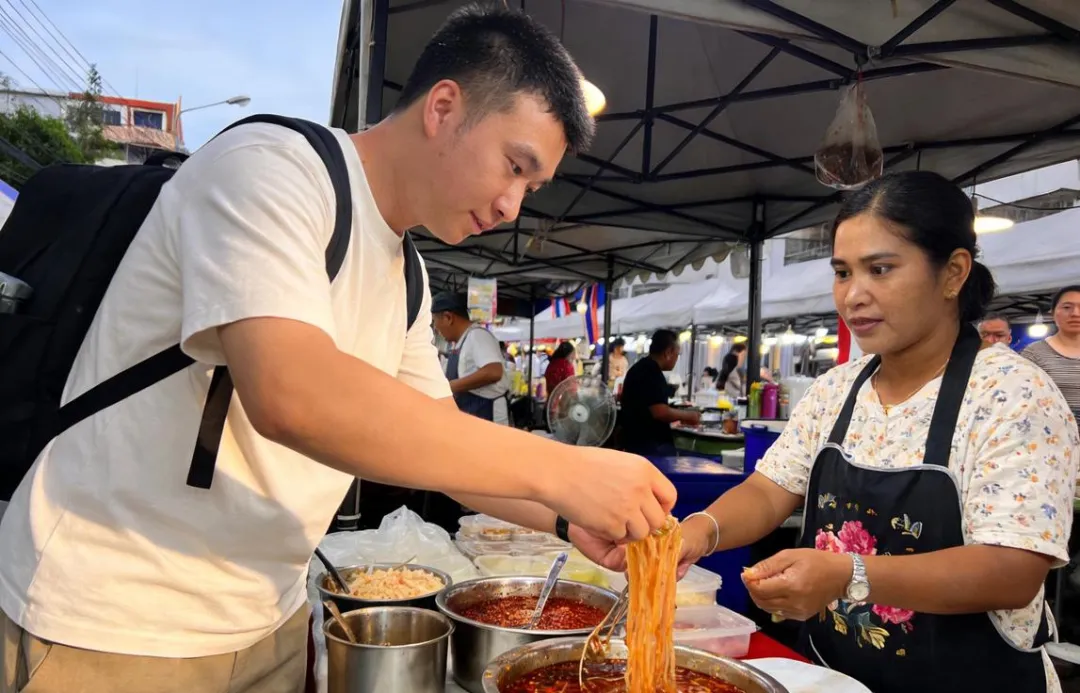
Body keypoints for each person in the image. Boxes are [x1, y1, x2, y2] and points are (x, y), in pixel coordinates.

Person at [0, 6, 677, 693]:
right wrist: (562, 467)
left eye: (529, 188)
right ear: (443, 107)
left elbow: (444, 446)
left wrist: (569, 517)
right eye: (514, 166)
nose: (512, 206)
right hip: (114, 618)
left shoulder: (407, 274)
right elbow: (292, 393)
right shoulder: (272, 167)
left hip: (269, 620)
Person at [590, 172, 1078, 692]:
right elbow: (769, 490)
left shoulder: (1013, 395)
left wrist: (848, 575)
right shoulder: (837, 389)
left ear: (953, 272)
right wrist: (698, 532)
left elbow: (1012, 570)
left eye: (881, 269)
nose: (853, 296)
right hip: (834, 676)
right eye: (843, 272)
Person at [619, 329, 702, 457]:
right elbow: (660, 412)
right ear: (668, 352)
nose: (676, 359)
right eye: (677, 354)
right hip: (650, 447)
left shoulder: (641, 367)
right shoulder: (651, 372)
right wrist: (689, 416)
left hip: (635, 443)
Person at [432, 291, 510, 425]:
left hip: (488, 419)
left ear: (448, 317)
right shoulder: (460, 343)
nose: (435, 328)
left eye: (434, 321)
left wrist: (450, 386)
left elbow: (494, 371)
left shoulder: (477, 336)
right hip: (472, 418)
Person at [1022, 285, 1080, 430]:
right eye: (1067, 307)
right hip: (1054, 436)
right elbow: (1023, 399)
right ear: (1053, 313)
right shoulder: (1034, 354)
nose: (1075, 313)